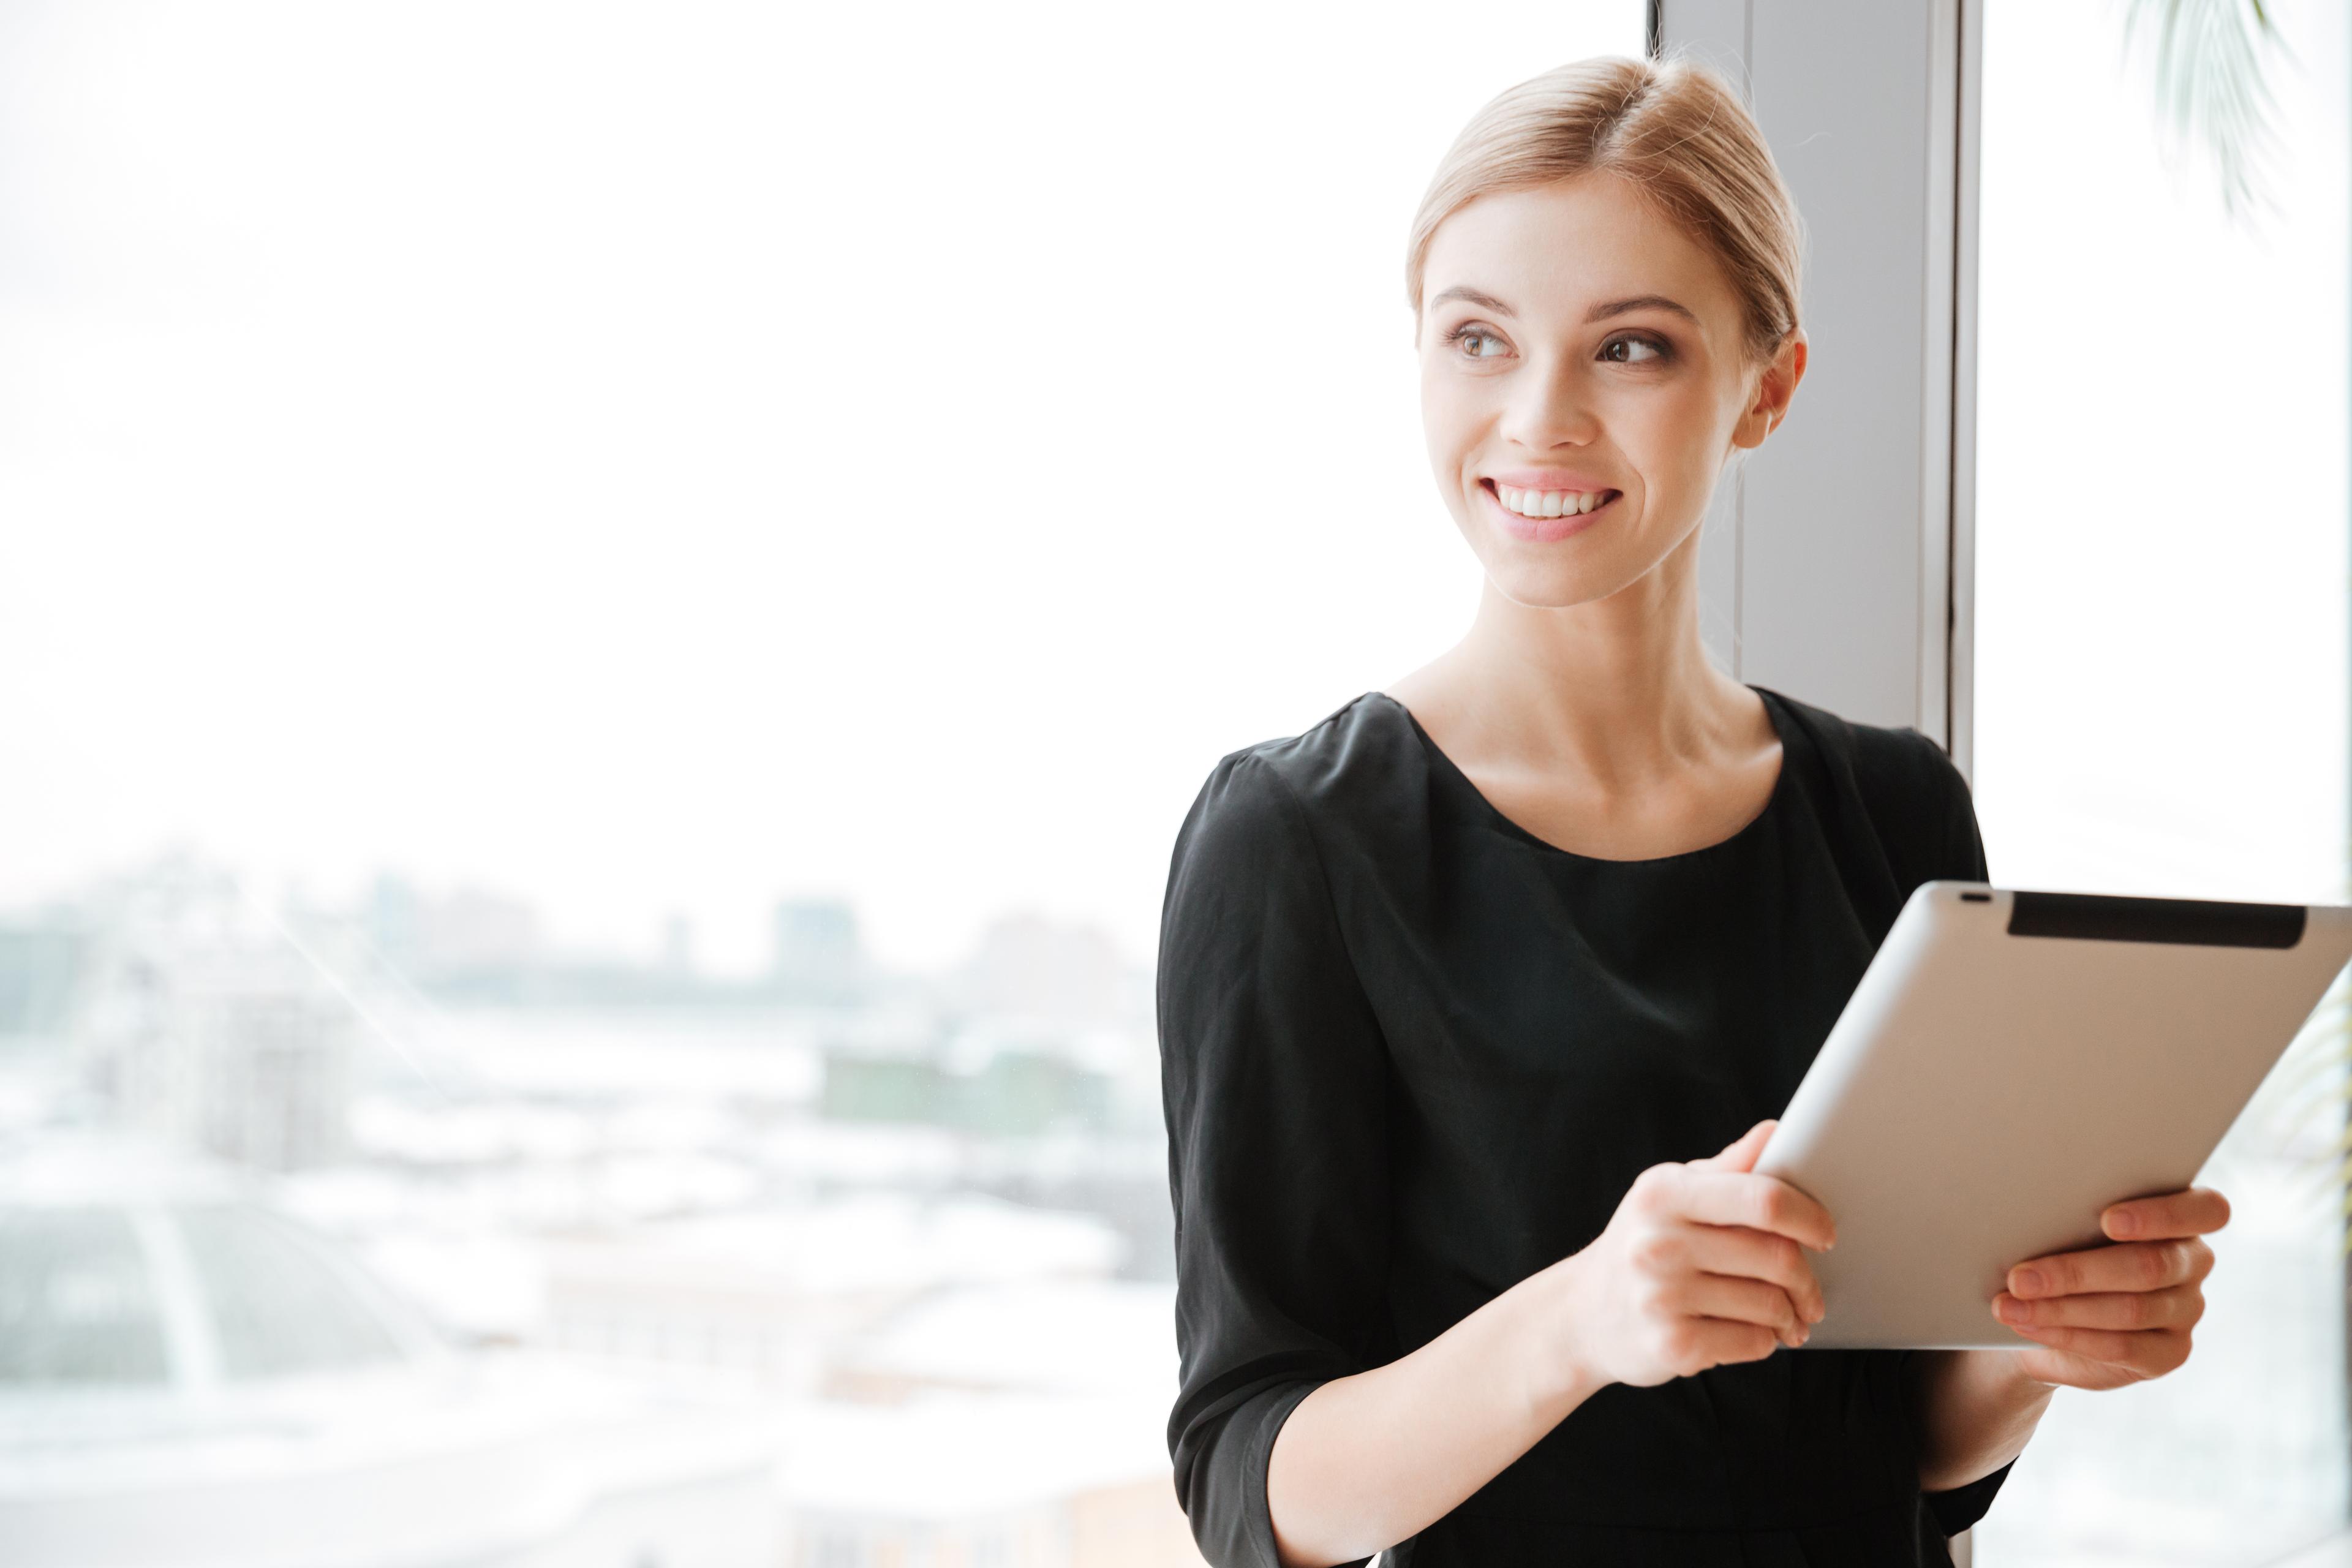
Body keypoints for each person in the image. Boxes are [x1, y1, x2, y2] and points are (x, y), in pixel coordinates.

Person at [1155, 51, 2231, 1568]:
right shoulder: (1300, 841)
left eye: (1632, 349)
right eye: (1478, 338)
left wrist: (2047, 1343)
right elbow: (1252, 1483)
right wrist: (1584, 1316)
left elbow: (1904, 1448)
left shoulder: (1896, 811)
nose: (1538, 418)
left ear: (1765, 388)